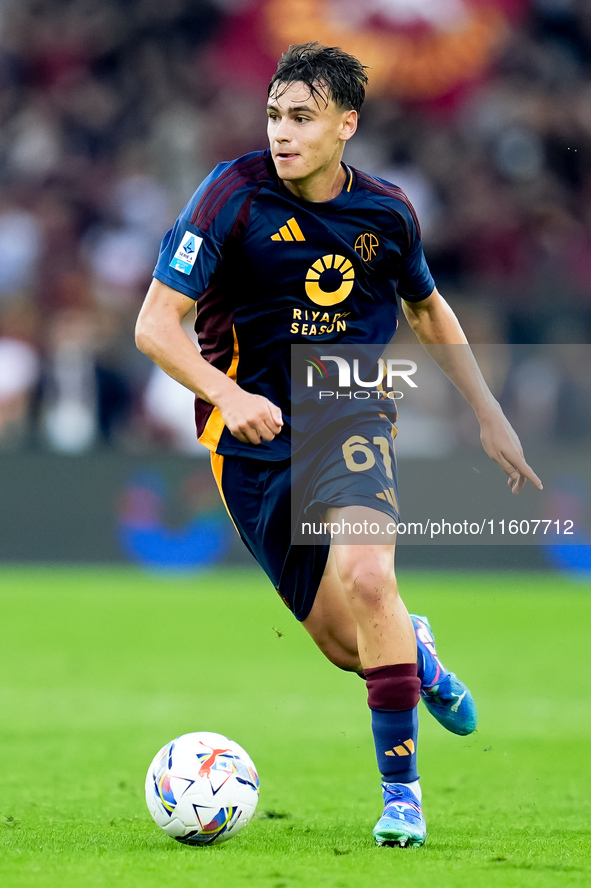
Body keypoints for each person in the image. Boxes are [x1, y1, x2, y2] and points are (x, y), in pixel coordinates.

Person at [136, 42, 542, 847]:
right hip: (247, 437)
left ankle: (402, 800)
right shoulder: (230, 196)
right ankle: (414, 654)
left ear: (344, 126)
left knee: (367, 574)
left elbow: (426, 310)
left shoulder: (386, 213)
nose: (281, 134)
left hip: (347, 409)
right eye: (274, 116)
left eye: (302, 118)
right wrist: (227, 393)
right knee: (345, 645)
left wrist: (487, 410)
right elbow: (155, 326)